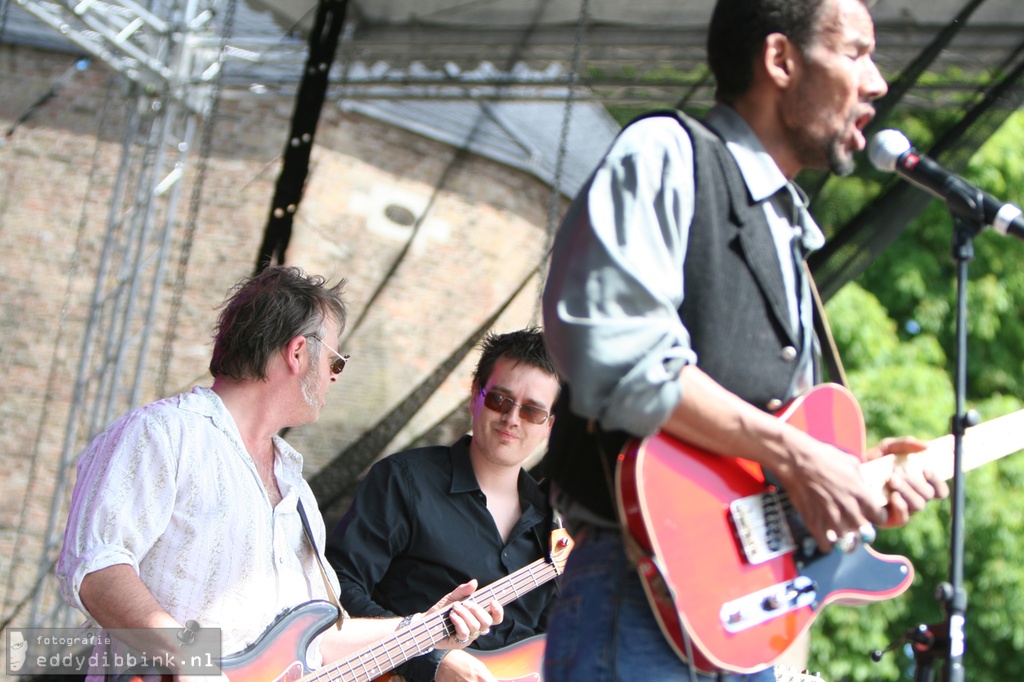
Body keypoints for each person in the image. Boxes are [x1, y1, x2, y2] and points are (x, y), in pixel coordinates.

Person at [539, 0, 950, 681]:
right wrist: (800, 457)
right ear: (781, 59)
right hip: (637, 599)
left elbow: (752, 458)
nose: (877, 83)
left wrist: (852, 478)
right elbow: (623, 355)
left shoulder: (787, 227)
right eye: (855, 52)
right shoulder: (669, 153)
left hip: (739, 622)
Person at [56, 266, 501, 680]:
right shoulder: (164, 433)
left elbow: (319, 639)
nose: (334, 377)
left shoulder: (297, 490)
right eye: (336, 362)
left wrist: (422, 627)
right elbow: (98, 569)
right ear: (297, 352)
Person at [326, 328, 561, 682]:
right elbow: (337, 590)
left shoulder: (555, 529)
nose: (512, 418)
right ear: (474, 396)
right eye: (500, 400)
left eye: (531, 411)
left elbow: (552, 642)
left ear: (549, 426)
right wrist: (428, 659)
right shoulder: (404, 481)